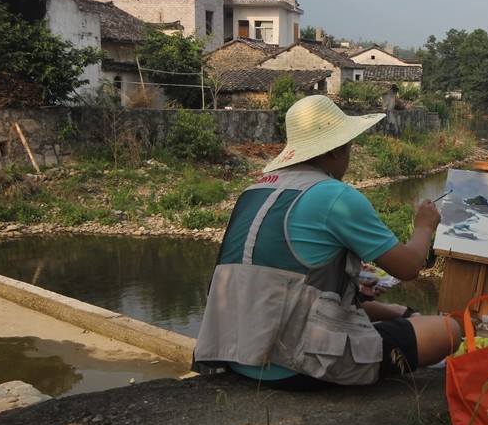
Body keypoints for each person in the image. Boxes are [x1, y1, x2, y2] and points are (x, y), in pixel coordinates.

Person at [192, 94, 462, 390]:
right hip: (293, 364)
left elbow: (286, 287)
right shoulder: (335, 196)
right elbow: (409, 267)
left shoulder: (252, 192)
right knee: (448, 330)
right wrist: (424, 225)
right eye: (348, 147)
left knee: (380, 309)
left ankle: (401, 313)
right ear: (335, 150)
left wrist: (396, 311)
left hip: (235, 352)